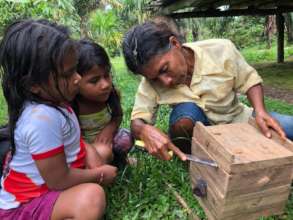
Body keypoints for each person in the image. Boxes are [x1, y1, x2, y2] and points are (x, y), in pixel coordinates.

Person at [122, 21, 293, 160]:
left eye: (164, 69)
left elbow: (249, 80)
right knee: (185, 115)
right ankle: (194, 160)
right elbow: (137, 121)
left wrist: (260, 110)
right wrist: (144, 131)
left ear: (174, 44)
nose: (165, 81)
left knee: (287, 127)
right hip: (201, 139)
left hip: (241, 121)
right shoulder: (151, 81)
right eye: (154, 78)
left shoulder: (221, 49)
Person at [0, 19, 117, 220]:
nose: (77, 78)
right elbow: (58, 180)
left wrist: (89, 151)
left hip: (53, 181)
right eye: (68, 74)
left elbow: (69, 140)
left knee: (103, 153)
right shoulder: (41, 120)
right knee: (92, 197)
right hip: (24, 206)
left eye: (76, 69)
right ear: (34, 84)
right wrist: (100, 175)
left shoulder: (57, 101)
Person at [72, 39, 133, 166]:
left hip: (108, 140)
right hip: (84, 149)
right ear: (75, 80)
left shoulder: (110, 95)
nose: (105, 85)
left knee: (126, 137)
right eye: (94, 81)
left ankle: (120, 160)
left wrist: (109, 129)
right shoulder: (72, 105)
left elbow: (117, 115)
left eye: (106, 75)